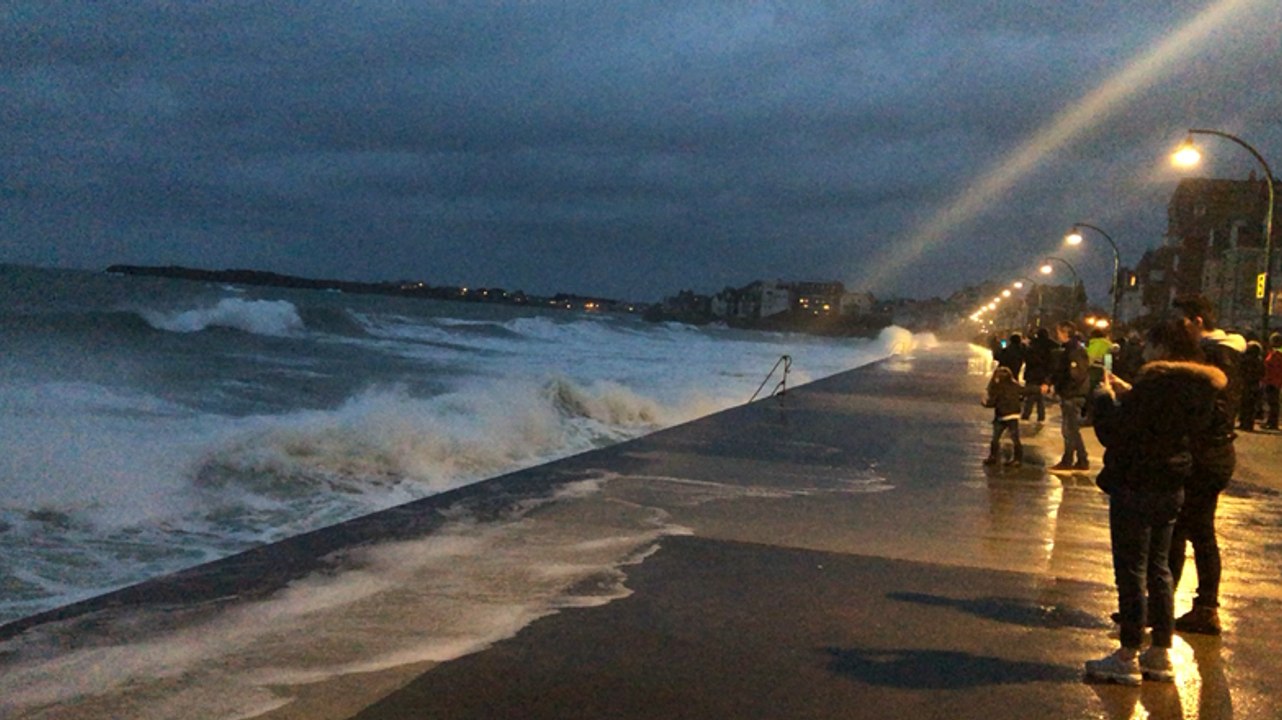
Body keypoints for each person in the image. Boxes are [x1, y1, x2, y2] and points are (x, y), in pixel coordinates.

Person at [1085, 320, 1227, 685]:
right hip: (1172, 482)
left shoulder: (1156, 383)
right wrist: (1130, 392)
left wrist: (1104, 399)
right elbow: (1164, 421)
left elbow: (1117, 432)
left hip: (1136, 481)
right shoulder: (1198, 386)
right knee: (1160, 569)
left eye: (1148, 345)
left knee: (1130, 570)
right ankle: (1160, 653)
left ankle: (1127, 654)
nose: (1144, 351)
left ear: (1161, 347)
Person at [1168, 295, 1244, 635]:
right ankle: (1170, 602)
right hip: (1211, 453)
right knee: (1188, 529)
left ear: (1197, 321)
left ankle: (1201, 607)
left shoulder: (1216, 356)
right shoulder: (1224, 353)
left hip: (1205, 456)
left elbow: (1215, 411)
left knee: (1193, 530)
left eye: (1181, 322)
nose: (1177, 329)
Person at [1044, 321, 1090, 472]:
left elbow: (1074, 374)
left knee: (1069, 429)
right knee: (1072, 429)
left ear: (1065, 333)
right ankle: (1082, 460)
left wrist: (1065, 389)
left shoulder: (1074, 351)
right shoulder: (1072, 349)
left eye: (1059, 332)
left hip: (1072, 394)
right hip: (1072, 393)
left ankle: (1068, 461)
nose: (1057, 335)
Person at [982, 366, 1024, 467]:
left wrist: (985, 403)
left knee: (995, 438)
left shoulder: (998, 388)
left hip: (1001, 416)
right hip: (1013, 415)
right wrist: (1039, 389)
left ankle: (993, 457)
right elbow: (1025, 391)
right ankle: (1018, 459)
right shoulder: (1015, 386)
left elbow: (993, 402)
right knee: (1015, 438)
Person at [1021, 327, 1056, 422]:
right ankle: (1041, 415)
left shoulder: (1032, 345)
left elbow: (1026, 357)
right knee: (1040, 394)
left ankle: (1027, 414)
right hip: (1045, 374)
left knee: (1031, 394)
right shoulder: (1052, 345)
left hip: (1032, 373)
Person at [1238, 341, 1265, 431]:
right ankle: (1249, 423)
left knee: (1244, 404)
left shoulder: (1245, 360)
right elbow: (1262, 373)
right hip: (1254, 384)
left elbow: (1241, 371)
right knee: (1251, 405)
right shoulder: (1259, 360)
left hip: (1246, 384)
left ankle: (1243, 422)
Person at [1264, 333, 1282, 430]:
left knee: (1273, 402)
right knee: (1272, 402)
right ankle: (1270, 421)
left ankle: (1272, 422)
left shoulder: (1277, 353)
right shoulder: (1275, 352)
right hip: (1273, 380)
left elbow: (1274, 367)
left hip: (1273, 380)